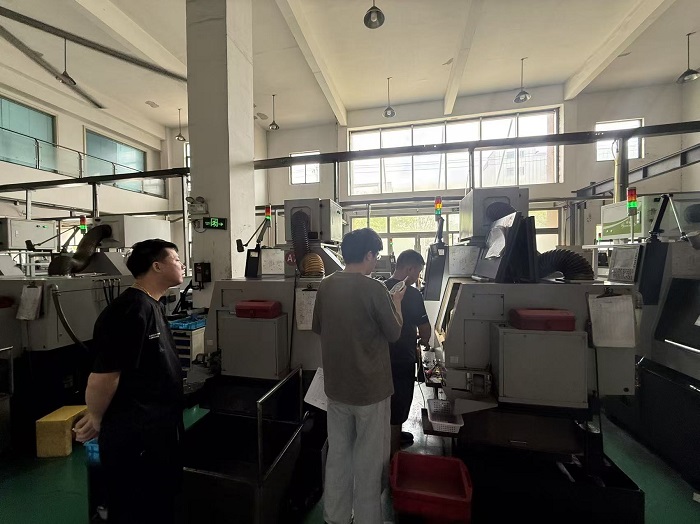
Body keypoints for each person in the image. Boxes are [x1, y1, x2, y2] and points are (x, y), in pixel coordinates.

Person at [74, 239, 186, 524]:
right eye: (176, 259)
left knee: (158, 503)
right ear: (157, 266)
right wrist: (96, 417)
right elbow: (103, 377)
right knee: (134, 507)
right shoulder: (130, 310)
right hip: (136, 436)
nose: (182, 264)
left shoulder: (153, 305)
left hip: (157, 430)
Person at [312, 228, 406, 524]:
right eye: (375, 256)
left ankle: (335, 517)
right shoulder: (375, 289)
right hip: (370, 391)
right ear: (368, 255)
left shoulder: (326, 286)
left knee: (339, 455)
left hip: (337, 388)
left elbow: (318, 327)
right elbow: (394, 333)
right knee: (368, 461)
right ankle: (367, 518)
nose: (375, 262)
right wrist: (397, 303)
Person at [384, 250, 432, 454]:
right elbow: (425, 328)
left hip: (381, 357)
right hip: (402, 358)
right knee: (399, 403)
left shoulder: (380, 287)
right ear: (410, 269)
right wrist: (425, 341)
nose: (417, 277)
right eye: (418, 272)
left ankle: (390, 435)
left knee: (385, 401)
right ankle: (393, 454)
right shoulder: (412, 294)